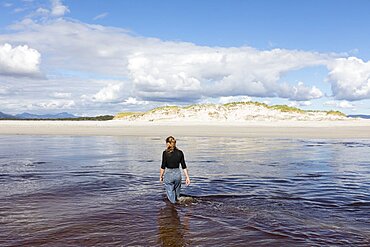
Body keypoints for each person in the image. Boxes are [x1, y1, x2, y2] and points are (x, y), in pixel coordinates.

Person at [160, 136, 190, 203]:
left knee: (171, 198)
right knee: (177, 196)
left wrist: (161, 176)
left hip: (169, 175)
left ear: (168, 143)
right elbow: (184, 166)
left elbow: (163, 166)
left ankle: (173, 209)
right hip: (177, 175)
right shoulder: (180, 152)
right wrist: (187, 177)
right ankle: (178, 209)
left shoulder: (165, 153)